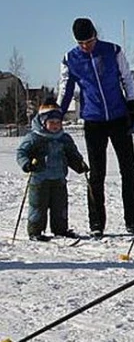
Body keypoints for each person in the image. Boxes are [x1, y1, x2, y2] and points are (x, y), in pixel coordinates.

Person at [58, 17, 134, 239]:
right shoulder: (70, 59)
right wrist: (57, 114)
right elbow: (65, 89)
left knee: (129, 169)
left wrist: (132, 107)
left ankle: (133, 219)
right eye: (81, 43)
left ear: (95, 35)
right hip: (93, 120)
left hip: (118, 117)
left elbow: (127, 79)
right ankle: (96, 222)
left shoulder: (113, 51)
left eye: (88, 41)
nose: (85, 46)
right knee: (96, 174)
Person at [16, 100, 89, 242]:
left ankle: (60, 229)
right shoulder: (34, 137)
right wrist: (26, 164)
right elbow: (21, 152)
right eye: (52, 122)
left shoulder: (64, 138)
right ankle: (35, 231)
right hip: (39, 179)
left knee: (60, 206)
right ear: (43, 122)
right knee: (38, 206)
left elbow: (72, 154)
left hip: (59, 178)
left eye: (58, 122)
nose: (56, 126)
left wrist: (79, 165)